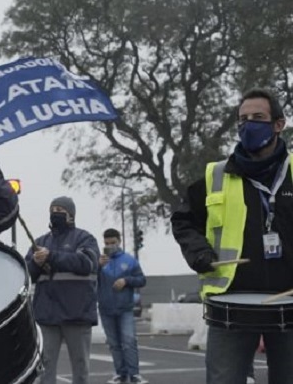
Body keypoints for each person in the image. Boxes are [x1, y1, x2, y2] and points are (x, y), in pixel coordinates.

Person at [172, 87, 293, 384]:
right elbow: (183, 220)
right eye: (243, 119)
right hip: (231, 304)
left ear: (279, 124)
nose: (248, 124)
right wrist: (200, 254)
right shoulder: (216, 176)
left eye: (258, 117)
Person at [25, 196, 99, 384]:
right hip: (47, 315)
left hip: (77, 314)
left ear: (71, 215)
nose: (55, 213)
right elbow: (26, 275)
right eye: (52, 209)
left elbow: (86, 264)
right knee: (44, 366)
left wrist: (51, 257)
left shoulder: (85, 238)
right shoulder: (40, 242)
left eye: (60, 210)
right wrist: (35, 263)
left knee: (80, 367)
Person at [97, 229, 147, 384]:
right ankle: (120, 373)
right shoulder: (99, 261)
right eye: (107, 243)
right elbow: (90, 278)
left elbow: (142, 280)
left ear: (119, 241)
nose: (110, 246)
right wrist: (97, 266)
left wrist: (126, 281)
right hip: (105, 309)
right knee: (114, 344)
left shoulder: (129, 260)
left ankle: (134, 374)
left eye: (113, 243)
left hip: (125, 308)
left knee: (129, 341)